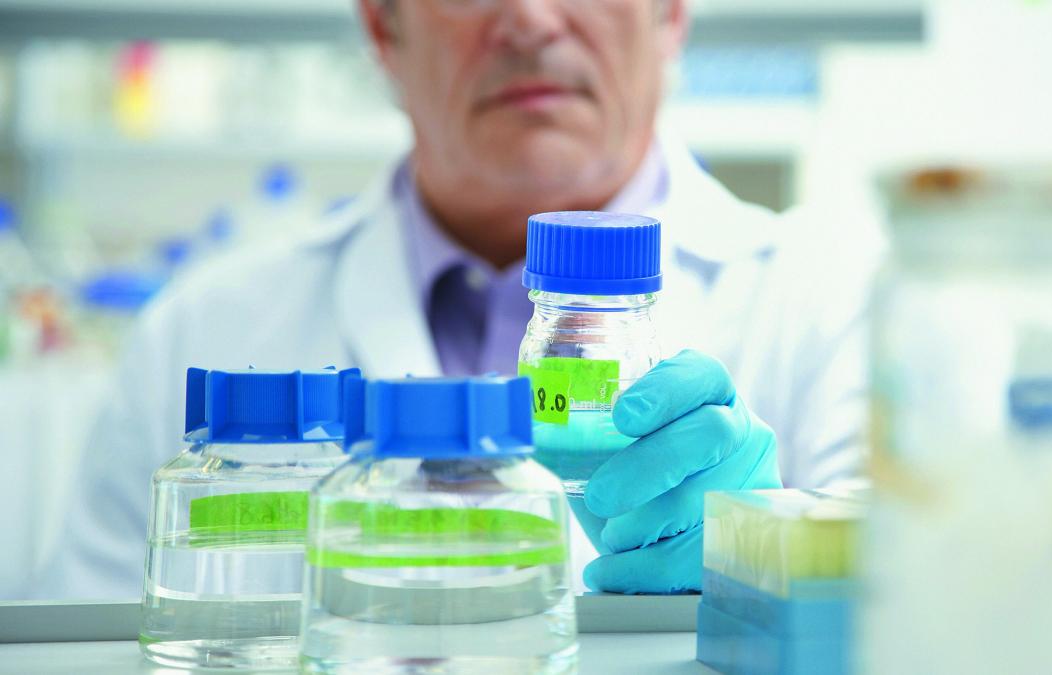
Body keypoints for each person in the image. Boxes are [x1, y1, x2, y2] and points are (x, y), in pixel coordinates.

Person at [37, 0, 874, 599]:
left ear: (672, 14)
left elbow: (905, 626)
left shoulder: (837, 303)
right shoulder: (201, 328)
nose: (532, 21)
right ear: (382, 27)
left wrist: (781, 555)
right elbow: (91, 645)